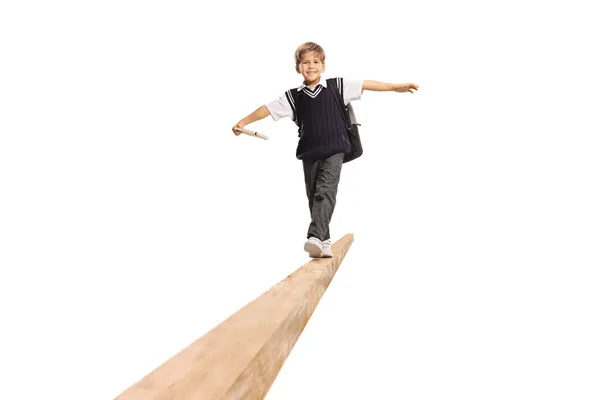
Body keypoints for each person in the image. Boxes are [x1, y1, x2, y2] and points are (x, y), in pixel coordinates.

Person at [232, 42, 418, 258]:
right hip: (310, 152)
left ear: (323, 66)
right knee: (313, 196)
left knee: (325, 191)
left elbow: (366, 84)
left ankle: (315, 236)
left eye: (315, 62)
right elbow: (266, 109)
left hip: (335, 149)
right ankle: (324, 240)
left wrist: (395, 87)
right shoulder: (293, 97)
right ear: (297, 68)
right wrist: (243, 122)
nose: (311, 66)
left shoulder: (337, 86)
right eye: (305, 62)